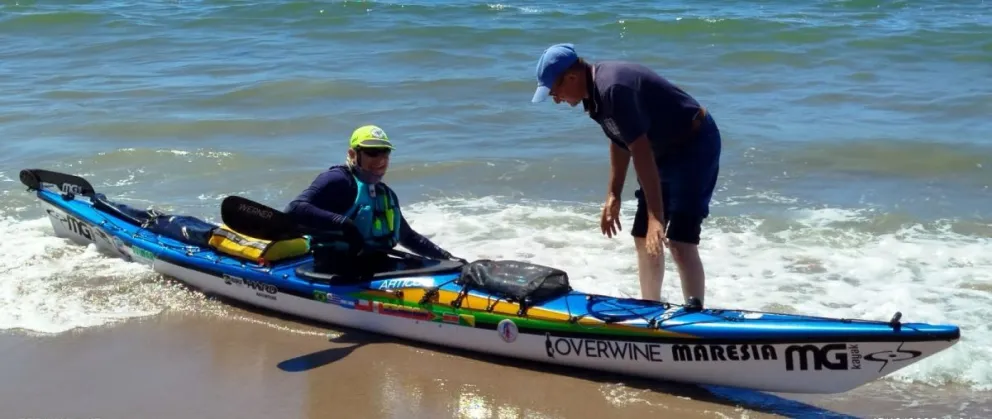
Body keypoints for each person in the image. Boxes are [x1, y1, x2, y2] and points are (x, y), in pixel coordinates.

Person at [530, 43, 721, 307]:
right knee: (643, 235)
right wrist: (613, 194)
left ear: (572, 77)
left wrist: (657, 217)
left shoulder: (613, 89)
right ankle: (650, 306)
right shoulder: (593, 95)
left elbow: (639, 150)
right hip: (659, 151)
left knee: (679, 240)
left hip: (693, 144)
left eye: (555, 91)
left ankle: (694, 309)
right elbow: (620, 140)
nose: (557, 99)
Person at [285, 124, 462, 274]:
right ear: (353, 154)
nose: (381, 159)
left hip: (374, 266)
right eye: (373, 152)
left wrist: (448, 258)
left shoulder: (385, 194)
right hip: (334, 269)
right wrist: (343, 224)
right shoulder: (338, 179)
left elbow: (407, 237)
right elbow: (294, 209)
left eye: (385, 152)